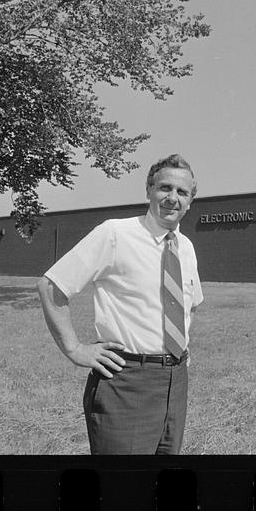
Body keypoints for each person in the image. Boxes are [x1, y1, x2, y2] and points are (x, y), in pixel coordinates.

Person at [37, 154, 203, 454]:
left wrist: (181, 356)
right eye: (164, 188)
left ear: (191, 200)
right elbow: (52, 286)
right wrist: (75, 349)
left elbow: (190, 305)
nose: (172, 198)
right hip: (126, 382)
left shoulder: (186, 247)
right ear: (149, 190)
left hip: (176, 382)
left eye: (182, 192)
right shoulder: (115, 234)